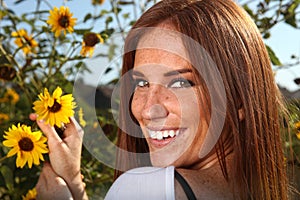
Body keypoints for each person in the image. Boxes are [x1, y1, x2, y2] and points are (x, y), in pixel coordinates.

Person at [32, 0, 294, 199]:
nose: (148, 110)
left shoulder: (146, 189)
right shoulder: (260, 189)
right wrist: (75, 183)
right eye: (142, 83)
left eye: (180, 82)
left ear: (238, 99)